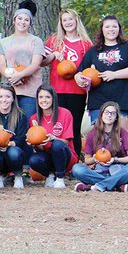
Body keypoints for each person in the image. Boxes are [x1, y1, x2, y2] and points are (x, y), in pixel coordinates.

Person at [75, 15, 128, 125]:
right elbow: (80, 71)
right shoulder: (93, 51)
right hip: (98, 102)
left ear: (119, 29)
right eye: (107, 27)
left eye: (114, 26)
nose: (111, 29)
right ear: (102, 29)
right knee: (100, 140)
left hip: (122, 101)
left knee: (120, 139)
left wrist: (115, 74)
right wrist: (78, 78)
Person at [42, 9, 93, 158]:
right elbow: (42, 62)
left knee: (74, 127)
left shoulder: (86, 44)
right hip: (57, 90)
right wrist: (52, 55)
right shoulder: (53, 40)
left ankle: (74, 159)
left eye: (70, 19)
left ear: (76, 20)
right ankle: (58, 160)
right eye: (65, 20)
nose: (68, 22)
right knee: (58, 127)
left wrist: (85, 80)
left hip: (77, 91)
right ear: (61, 23)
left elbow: (90, 69)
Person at [72, 102, 128, 192]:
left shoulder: (122, 133)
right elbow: (87, 160)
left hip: (118, 170)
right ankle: (117, 185)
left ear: (116, 117)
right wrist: (95, 159)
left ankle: (95, 186)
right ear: (101, 115)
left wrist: (115, 160)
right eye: (106, 112)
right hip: (99, 172)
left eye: (113, 113)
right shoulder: (92, 134)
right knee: (77, 169)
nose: (109, 115)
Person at [0, 7, 44, 119]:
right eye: (20, 18)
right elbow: (2, 65)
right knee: (11, 121)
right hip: (10, 90)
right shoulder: (3, 42)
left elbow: (35, 64)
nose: (22, 22)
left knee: (27, 121)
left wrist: (20, 75)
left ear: (30, 24)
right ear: (14, 21)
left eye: (26, 20)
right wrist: (11, 76)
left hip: (31, 90)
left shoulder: (36, 41)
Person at [28, 85, 76, 189]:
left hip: (65, 155)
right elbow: (39, 149)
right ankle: (50, 175)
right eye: (41, 97)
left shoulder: (65, 113)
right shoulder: (34, 119)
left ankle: (60, 178)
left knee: (57, 144)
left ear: (53, 98)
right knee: (33, 160)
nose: (44, 100)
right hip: (47, 156)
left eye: (47, 97)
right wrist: (35, 144)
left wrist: (53, 138)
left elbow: (66, 142)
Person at [0, 83, 29, 189]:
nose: (4, 100)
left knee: (14, 152)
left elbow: (21, 139)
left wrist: (10, 144)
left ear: (13, 98)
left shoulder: (20, 116)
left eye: (8, 96)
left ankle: (18, 176)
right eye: (1, 96)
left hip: (13, 153)